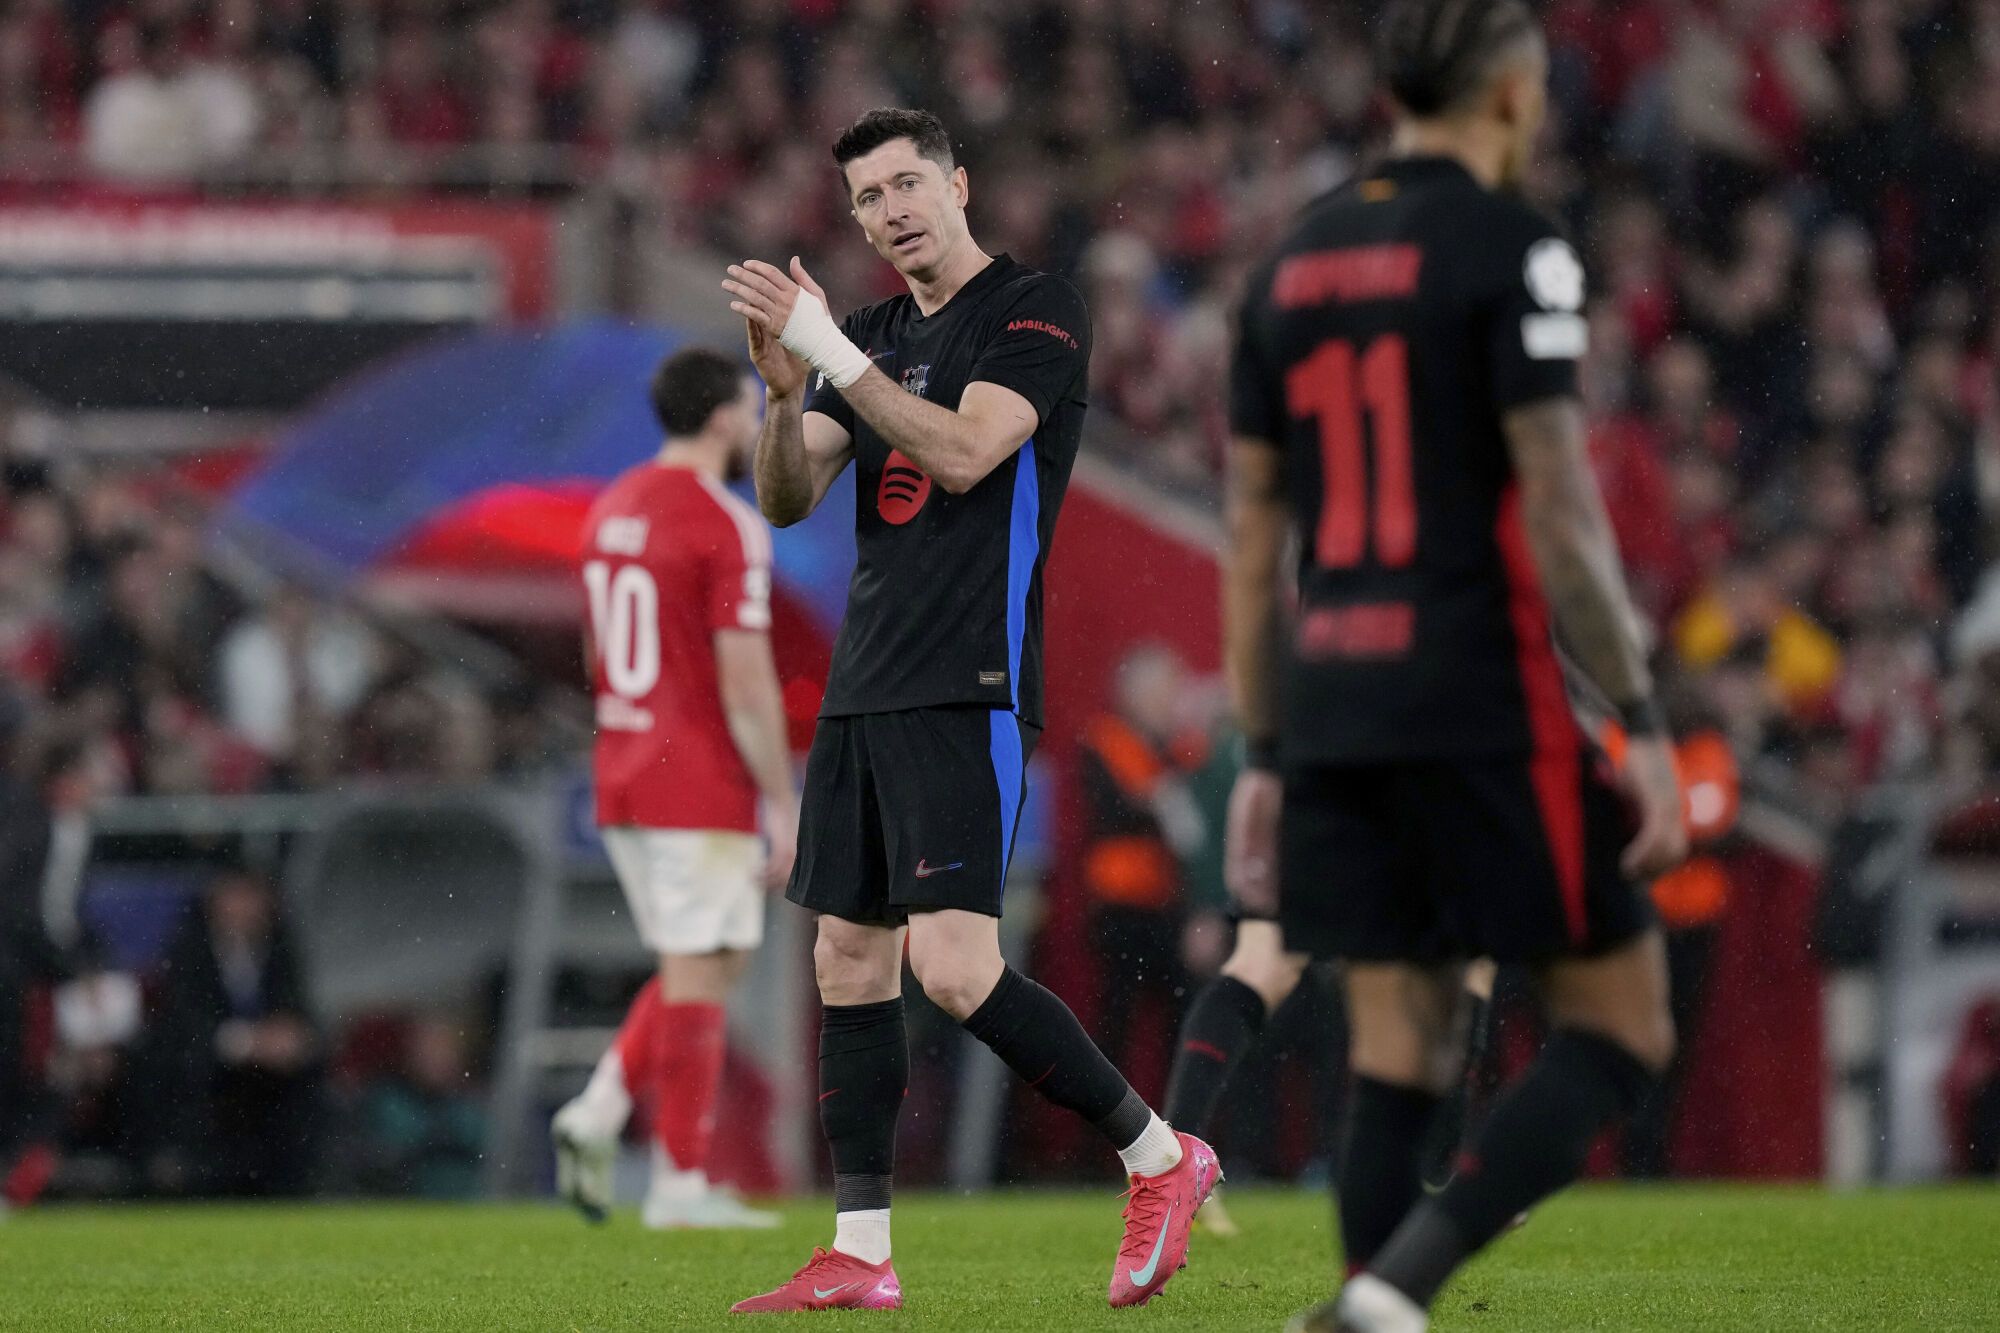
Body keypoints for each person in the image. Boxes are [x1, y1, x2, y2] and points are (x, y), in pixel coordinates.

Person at [1221, 4, 1688, 1328]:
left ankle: (1376, 1300)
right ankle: (1395, 1294)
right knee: (1622, 1021)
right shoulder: (1512, 244)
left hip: (1332, 695)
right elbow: (1556, 504)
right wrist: (1640, 714)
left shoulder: (1290, 266)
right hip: (1477, 681)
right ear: (1511, 91)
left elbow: (1254, 547)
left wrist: (1263, 751)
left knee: (1397, 1055)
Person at [721, 106, 1219, 1315]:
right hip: (865, 680)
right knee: (847, 957)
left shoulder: (1035, 312)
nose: (890, 211)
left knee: (950, 967)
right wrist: (786, 393)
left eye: (906, 185)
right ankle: (860, 1245)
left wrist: (832, 356)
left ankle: (1160, 1156)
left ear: (957, 183)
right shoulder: (878, 328)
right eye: (866, 199)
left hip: (968, 678)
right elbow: (785, 499)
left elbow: (960, 456)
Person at [550, 347, 799, 1231]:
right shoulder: (724, 522)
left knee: (706, 963)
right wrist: (781, 797)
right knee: (702, 966)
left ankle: (601, 1110)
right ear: (727, 416)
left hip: (620, 767)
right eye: (753, 406)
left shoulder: (610, 507)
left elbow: (593, 655)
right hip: (692, 774)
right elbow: (745, 679)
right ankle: (678, 1183)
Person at [139, 869, 324, 1197]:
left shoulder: (279, 948)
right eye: (235, 896)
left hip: (268, 1076)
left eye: (252, 897)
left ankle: (298, 1182)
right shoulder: (190, 948)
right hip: (209, 1066)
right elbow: (182, 1023)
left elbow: (297, 1008)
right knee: (185, 1069)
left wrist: (290, 1037)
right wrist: (247, 1042)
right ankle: (193, 1175)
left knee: (309, 1074)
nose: (243, 907)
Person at [1078, 644, 1205, 1081]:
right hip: (1121, 906)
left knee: (1180, 1017)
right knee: (1117, 1021)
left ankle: (1171, 1130)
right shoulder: (1106, 740)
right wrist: (1158, 801)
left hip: (1168, 904)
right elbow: (1112, 811)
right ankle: (1103, 1134)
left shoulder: (1178, 748)